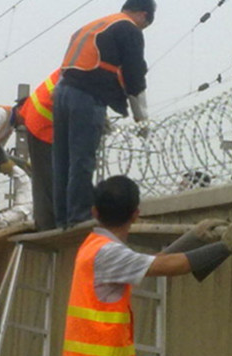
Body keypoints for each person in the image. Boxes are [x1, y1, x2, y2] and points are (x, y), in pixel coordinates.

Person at [60, 175, 232, 356]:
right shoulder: (108, 253)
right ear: (136, 214)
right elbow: (167, 266)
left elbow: (154, 263)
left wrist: (194, 238)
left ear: (95, 211)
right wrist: (224, 247)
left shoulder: (94, 246)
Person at [53, 0, 155, 228]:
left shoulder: (94, 26)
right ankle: (79, 217)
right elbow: (134, 76)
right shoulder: (129, 28)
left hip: (61, 94)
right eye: (145, 26)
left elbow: (90, 66)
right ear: (143, 15)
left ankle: (62, 220)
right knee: (82, 159)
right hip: (87, 96)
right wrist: (141, 119)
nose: (142, 31)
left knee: (63, 161)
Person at [20, 68, 61, 230]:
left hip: (43, 118)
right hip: (42, 122)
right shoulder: (92, 68)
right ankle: (48, 225)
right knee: (47, 178)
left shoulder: (84, 59)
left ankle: (51, 221)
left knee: (48, 177)